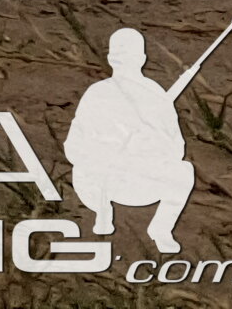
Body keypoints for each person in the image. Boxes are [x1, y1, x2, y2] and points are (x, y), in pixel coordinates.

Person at [67, 27, 199, 254]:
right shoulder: (98, 94)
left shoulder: (156, 96)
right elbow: (74, 146)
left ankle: (161, 229)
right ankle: (102, 212)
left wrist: (148, 146)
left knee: (183, 171)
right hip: (98, 183)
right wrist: (107, 148)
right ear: (142, 58)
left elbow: (176, 148)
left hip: (141, 180)